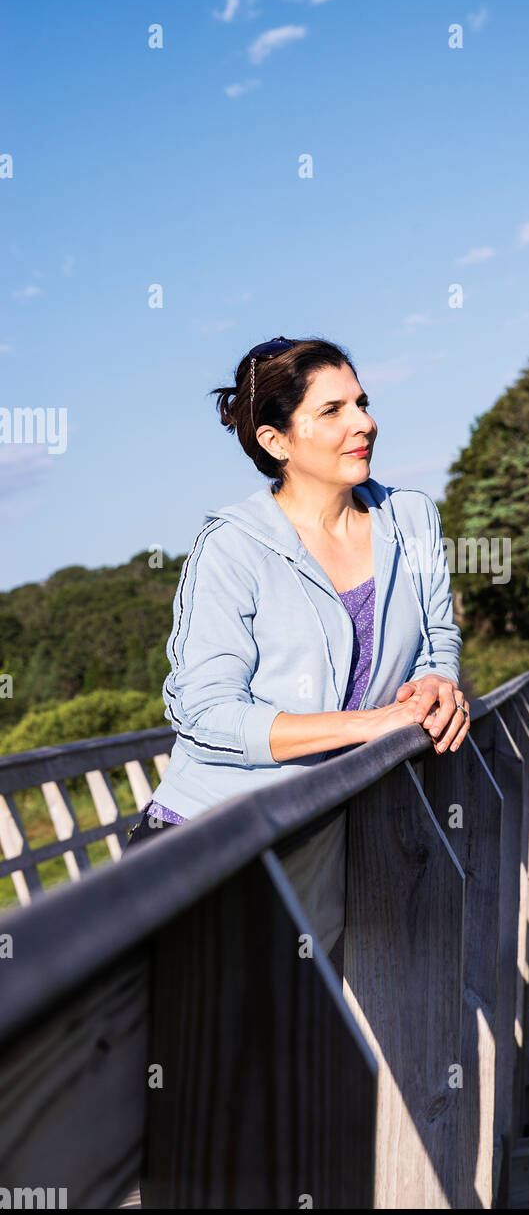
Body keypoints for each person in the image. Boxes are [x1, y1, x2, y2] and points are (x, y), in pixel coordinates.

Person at [124, 335, 469, 853]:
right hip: (211, 838)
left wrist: (437, 680)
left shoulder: (412, 517)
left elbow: (436, 632)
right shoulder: (231, 548)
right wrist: (372, 724)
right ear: (275, 441)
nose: (364, 423)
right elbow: (205, 715)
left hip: (328, 827)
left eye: (362, 403)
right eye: (332, 410)